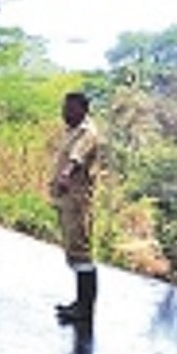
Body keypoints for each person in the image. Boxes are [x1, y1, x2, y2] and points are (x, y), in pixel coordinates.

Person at [51, 92, 101, 323]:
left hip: (78, 202)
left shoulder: (87, 132)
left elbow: (76, 158)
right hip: (68, 201)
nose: (64, 112)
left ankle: (85, 309)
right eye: (64, 108)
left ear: (82, 109)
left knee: (81, 252)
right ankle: (79, 303)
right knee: (73, 251)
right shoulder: (72, 131)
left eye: (69, 108)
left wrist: (64, 175)